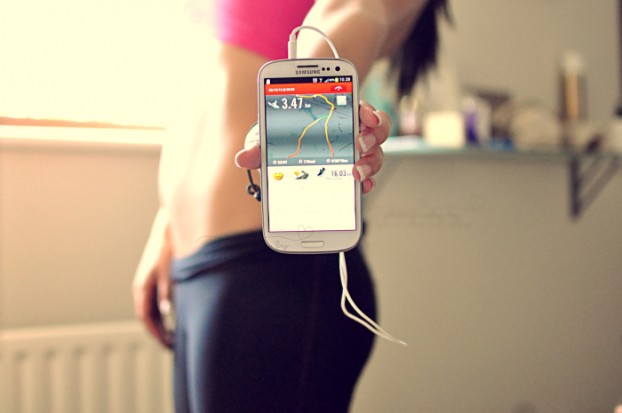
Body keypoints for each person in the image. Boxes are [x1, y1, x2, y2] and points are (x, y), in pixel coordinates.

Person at [133, 0, 450, 411]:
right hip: (198, 262)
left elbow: (352, 11)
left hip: (269, 273)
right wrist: (167, 223)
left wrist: (301, 115)